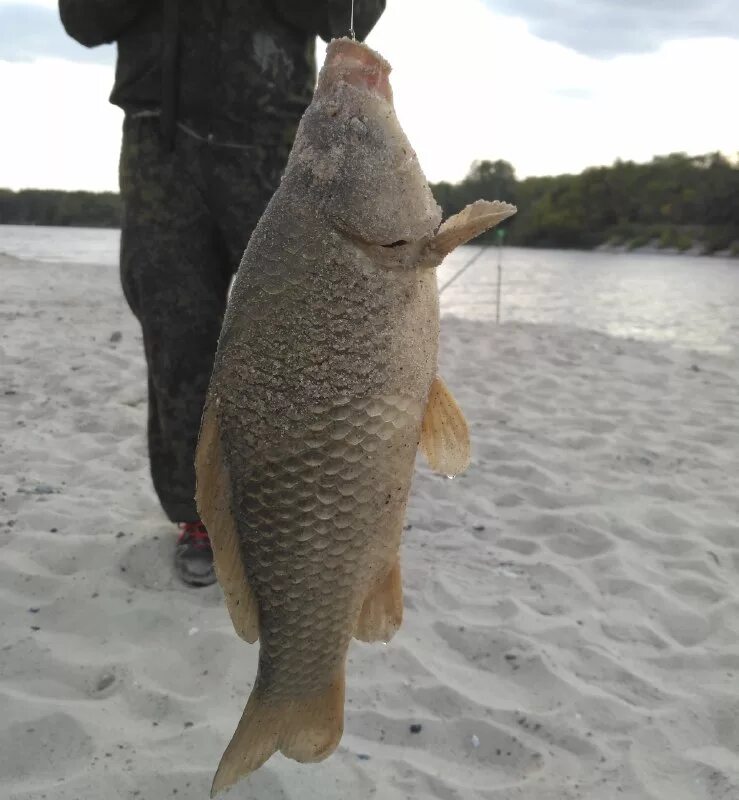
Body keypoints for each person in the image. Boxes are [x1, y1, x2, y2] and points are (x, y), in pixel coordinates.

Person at [59, 1, 386, 586]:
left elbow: (355, 12)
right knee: (176, 336)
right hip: (158, 146)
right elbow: (82, 21)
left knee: (301, 337)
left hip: (282, 144)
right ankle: (200, 516)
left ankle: (301, 510)